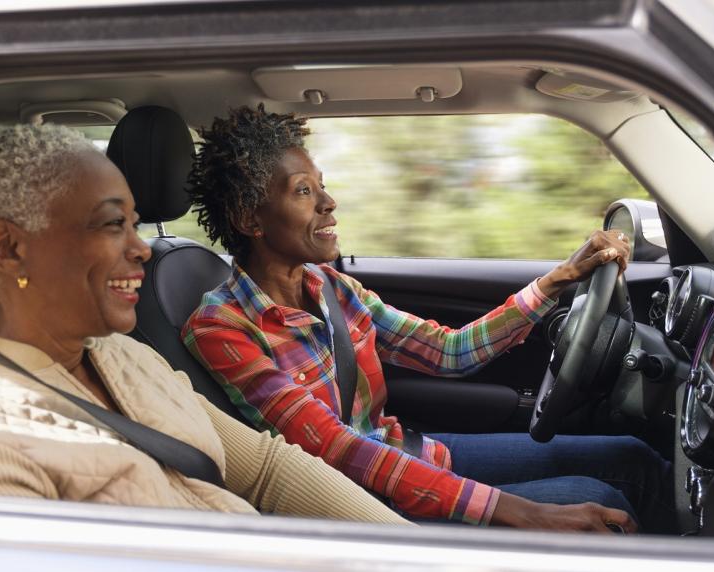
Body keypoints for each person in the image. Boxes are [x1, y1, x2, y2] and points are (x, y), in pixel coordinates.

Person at [182, 105, 674, 533]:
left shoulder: (331, 287)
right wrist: (522, 512)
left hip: (405, 455)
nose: (329, 203)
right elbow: (336, 450)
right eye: (303, 191)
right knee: (600, 501)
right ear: (251, 219)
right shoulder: (222, 328)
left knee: (633, 457)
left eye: (323, 187)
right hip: (361, 505)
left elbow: (447, 351)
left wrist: (561, 278)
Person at [0, 124, 407, 524]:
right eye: (111, 224)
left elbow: (268, 469)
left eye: (134, 225)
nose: (140, 249)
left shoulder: (125, 355)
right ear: (7, 248)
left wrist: (411, 549)